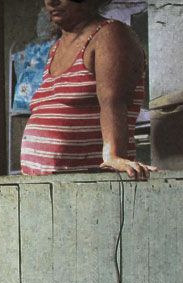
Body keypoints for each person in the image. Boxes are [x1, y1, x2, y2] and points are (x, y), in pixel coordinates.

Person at [20, 0, 155, 178]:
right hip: (44, 184)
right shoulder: (56, 47)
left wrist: (113, 156)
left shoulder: (109, 34)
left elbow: (113, 102)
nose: (51, 2)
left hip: (88, 184)